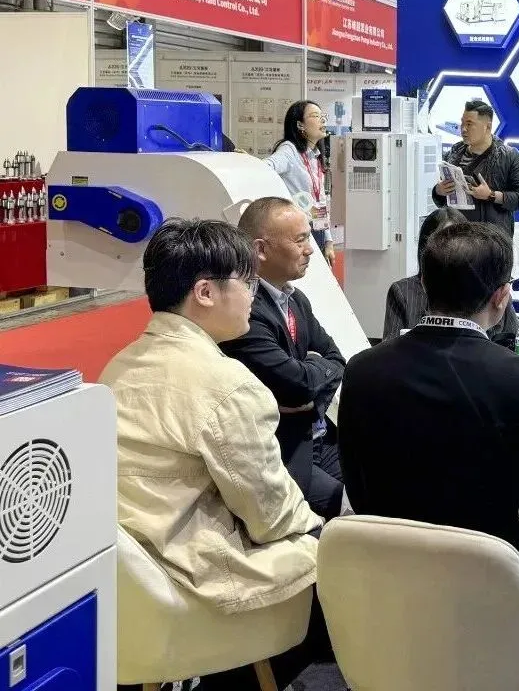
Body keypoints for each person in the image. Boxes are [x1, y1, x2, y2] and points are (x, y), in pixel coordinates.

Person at [101, 219, 333, 691]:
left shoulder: (118, 366)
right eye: (247, 283)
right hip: (191, 579)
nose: (253, 296)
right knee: (336, 547)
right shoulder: (226, 385)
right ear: (205, 292)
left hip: (126, 583)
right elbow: (271, 516)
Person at [338, 221, 519, 592]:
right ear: (501, 297)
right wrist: (512, 553)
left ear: (424, 285)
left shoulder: (361, 369)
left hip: (386, 578)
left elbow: (357, 486)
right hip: (485, 580)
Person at [222, 197, 346, 520]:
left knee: (377, 483)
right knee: (348, 508)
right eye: (300, 240)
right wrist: (312, 377)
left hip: (320, 434)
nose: (310, 250)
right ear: (261, 250)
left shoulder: (296, 299)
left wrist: (309, 387)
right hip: (284, 453)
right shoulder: (246, 312)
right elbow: (297, 385)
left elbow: (337, 359)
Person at [382, 206, 519, 349]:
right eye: (442, 243)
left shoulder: (494, 292)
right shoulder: (404, 292)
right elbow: (391, 349)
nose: (452, 253)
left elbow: (517, 343)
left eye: (460, 244)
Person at [432, 98, 519, 237]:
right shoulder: (454, 152)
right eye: (462, 123)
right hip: (457, 236)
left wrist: (491, 195)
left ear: (488, 127)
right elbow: (442, 200)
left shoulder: (509, 156)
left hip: (492, 240)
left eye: (469, 124)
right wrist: (438, 191)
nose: (463, 129)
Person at [265, 100, 335, 267]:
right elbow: (268, 166)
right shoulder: (289, 149)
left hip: (316, 229)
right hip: (298, 232)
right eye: (315, 116)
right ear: (300, 125)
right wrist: (249, 162)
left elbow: (320, 201)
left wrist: (328, 241)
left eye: (322, 116)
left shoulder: (315, 155)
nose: (322, 120)